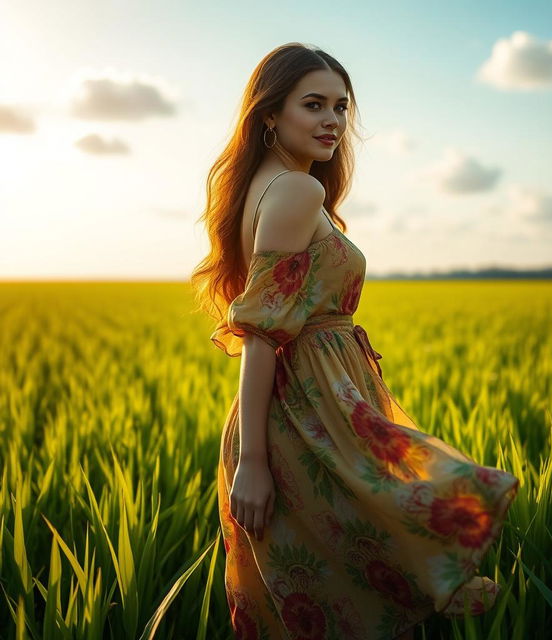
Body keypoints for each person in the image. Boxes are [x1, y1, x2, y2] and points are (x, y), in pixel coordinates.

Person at [191, 42, 520, 640]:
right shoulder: (295, 192)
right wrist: (255, 463)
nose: (333, 122)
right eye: (313, 105)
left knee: (327, 592)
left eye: (341, 107)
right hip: (306, 417)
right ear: (270, 114)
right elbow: (261, 334)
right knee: (354, 583)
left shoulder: (270, 186)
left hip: (305, 410)